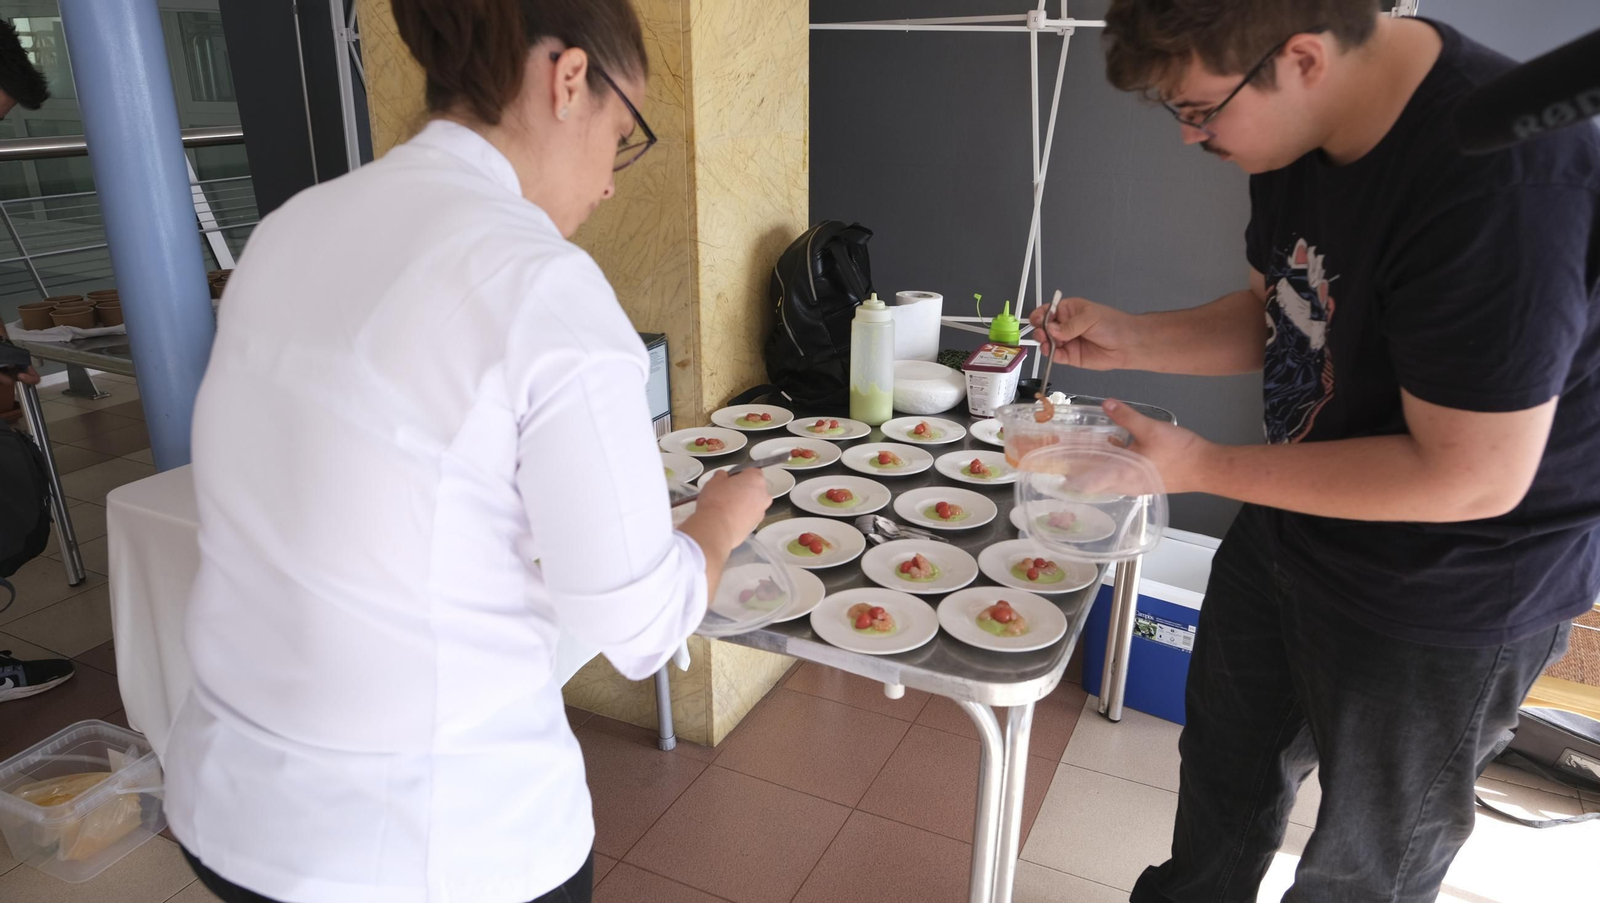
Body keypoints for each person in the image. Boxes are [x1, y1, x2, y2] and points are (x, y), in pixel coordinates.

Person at [161, 2, 771, 902]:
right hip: (438, 847)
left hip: (232, 812)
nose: (609, 183)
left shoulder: (291, 229)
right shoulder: (544, 285)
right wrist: (719, 520)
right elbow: (637, 624)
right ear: (568, 81)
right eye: (621, 132)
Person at [1030, 2, 1600, 901]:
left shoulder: (1504, 177)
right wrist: (1130, 336)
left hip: (1450, 584)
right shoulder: (1299, 131)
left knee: (1364, 866)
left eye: (1196, 111)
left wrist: (1202, 465)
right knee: (1223, 781)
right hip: (1295, 522)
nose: (1190, 140)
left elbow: (1471, 475)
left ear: (1298, 57)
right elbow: (1288, 311)